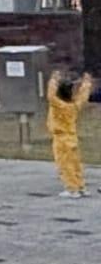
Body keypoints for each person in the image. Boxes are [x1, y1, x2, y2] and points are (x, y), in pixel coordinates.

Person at [46, 70, 93, 198]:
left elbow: (51, 96)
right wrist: (86, 83)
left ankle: (72, 188)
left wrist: (53, 80)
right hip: (72, 137)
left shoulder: (58, 105)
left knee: (65, 164)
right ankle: (81, 186)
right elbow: (83, 97)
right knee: (75, 163)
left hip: (61, 138)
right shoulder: (73, 106)